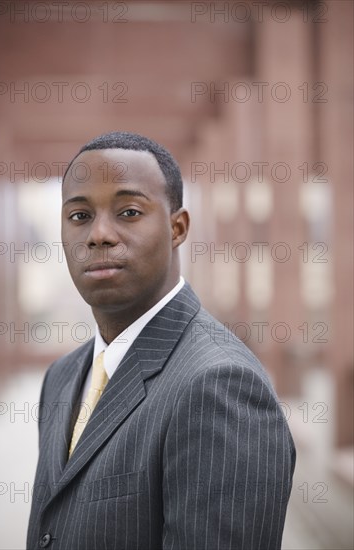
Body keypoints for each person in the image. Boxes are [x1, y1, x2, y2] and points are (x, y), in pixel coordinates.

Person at [27, 131, 295, 550]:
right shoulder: (62, 377)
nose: (99, 234)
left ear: (177, 227)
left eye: (129, 211)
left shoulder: (219, 386)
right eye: (79, 216)